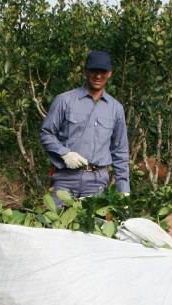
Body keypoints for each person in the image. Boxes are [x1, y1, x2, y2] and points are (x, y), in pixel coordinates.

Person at [40, 50, 130, 199]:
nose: (98, 76)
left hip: (98, 181)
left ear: (109, 74)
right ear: (86, 71)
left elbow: (120, 151)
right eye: (94, 70)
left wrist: (123, 189)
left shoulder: (116, 108)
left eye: (103, 71)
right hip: (64, 179)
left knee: (94, 222)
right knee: (55, 222)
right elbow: (46, 133)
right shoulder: (64, 100)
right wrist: (64, 153)